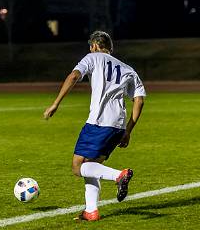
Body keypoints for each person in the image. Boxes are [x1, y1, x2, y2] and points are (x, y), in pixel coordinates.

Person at [43, 31, 146, 221]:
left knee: (77, 166)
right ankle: (91, 211)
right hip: (118, 126)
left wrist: (56, 103)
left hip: (99, 123)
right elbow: (138, 101)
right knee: (92, 166)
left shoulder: (92, 57)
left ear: (94, 46)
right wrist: (128, 131)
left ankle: (119, 175)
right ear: (110, 48)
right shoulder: (127, 68)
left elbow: (74, 76)